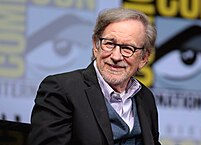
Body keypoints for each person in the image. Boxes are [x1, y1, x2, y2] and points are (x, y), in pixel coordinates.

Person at [28, 7, 161, 145]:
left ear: (144, 58)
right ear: (96, 45)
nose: (116, 56)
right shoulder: (61, 89)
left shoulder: (146, 98)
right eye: (109, 44)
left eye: (127, 48)